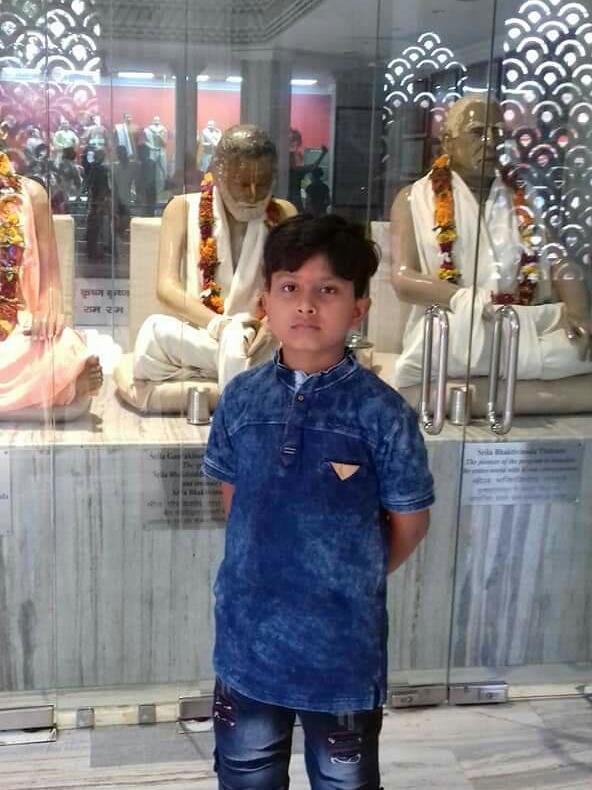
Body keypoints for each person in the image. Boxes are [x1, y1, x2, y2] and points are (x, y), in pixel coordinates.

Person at [203, 214, 434, 789]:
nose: (306, 304)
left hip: (341, 656)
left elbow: (410, 522)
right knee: (246, 777)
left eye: (328, 290)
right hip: (248, 645)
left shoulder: (383, 415)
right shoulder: (240, 400)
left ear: (358, 308)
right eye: (290, 287)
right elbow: (237, 505)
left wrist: (347, 573)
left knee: (343, 782)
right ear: (265, 302)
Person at [390, 96, 592, 388]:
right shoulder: (413, 198)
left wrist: (579, 312)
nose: (491, 141)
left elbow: (558, 259)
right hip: (452, 326)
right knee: (435, 345)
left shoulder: (521, 196)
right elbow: (402, 279)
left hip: (519, 322)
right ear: (448, 142)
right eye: (477, 132)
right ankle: (518, 369)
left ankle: (499, 368)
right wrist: (467, 302)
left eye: (498, 132)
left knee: (580, 344)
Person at [130, 124, 296, 399]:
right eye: (242, 183)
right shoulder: (182, 208)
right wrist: (221, 326)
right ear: (218, 174)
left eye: (263, 183)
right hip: (203, 332)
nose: (253, 194)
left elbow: (293, 287)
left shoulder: (284, 213)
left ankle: (230, 382)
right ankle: (247, 374)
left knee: (292, 343)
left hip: (261, 337)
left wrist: (269, 325)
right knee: (154, 334)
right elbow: (166, 288)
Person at [0, 149, 102, 414]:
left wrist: (47, 315)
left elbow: (51, 282)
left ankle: (61, 381)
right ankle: (61, 388)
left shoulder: (31, 194)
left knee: (65, 347)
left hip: (15, 330)